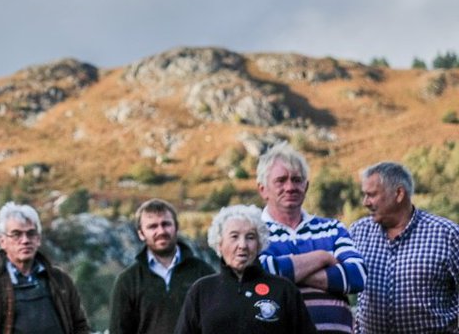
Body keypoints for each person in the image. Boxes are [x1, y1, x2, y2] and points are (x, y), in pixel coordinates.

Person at [254, 143, 365, 332]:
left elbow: (357, 276)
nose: (290, 187)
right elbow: (259, 273)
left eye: (297, 180)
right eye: (281, 180)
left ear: (306, 186)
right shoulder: (253, 233)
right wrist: (322, 257)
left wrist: (287, 273)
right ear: (263, 189)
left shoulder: (332, 228)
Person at [350, 161, 459, 334]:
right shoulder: (358, 232)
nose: (365, 202)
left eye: (371, 195)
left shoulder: (446, 235)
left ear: (399, 194)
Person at [174, 204, 314, 334]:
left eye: (250, 237)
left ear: (259, 244)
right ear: (219, 243)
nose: (242, 245)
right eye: (234, 236)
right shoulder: (201, 290)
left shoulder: (284, 290)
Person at [0, 202, 90, 334]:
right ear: (2, 241)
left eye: (31, 233)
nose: (25, 240)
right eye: (16, 234)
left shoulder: (60, 279)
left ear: (38, 239)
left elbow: (80, 325)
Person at [108, 198, 213, 334]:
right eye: (152, 226)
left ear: (176, 227)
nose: (161, 231)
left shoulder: (203, 273)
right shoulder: (128, 281)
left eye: (166, 224)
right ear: (141, 234)